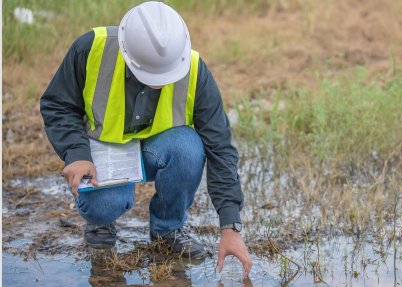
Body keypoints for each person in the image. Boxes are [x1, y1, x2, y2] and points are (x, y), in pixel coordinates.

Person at [40, 1, 252, 277]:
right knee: (104, 205)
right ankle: (100, 224)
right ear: (127, 53)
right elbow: (58, 105)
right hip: (104, 153)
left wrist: (230, 227)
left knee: (190, 147)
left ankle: (168, 228)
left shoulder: (196, 70)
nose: (158, 83)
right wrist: (76, 154)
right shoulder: (91, 48)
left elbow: (220, 148)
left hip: (159, 149)